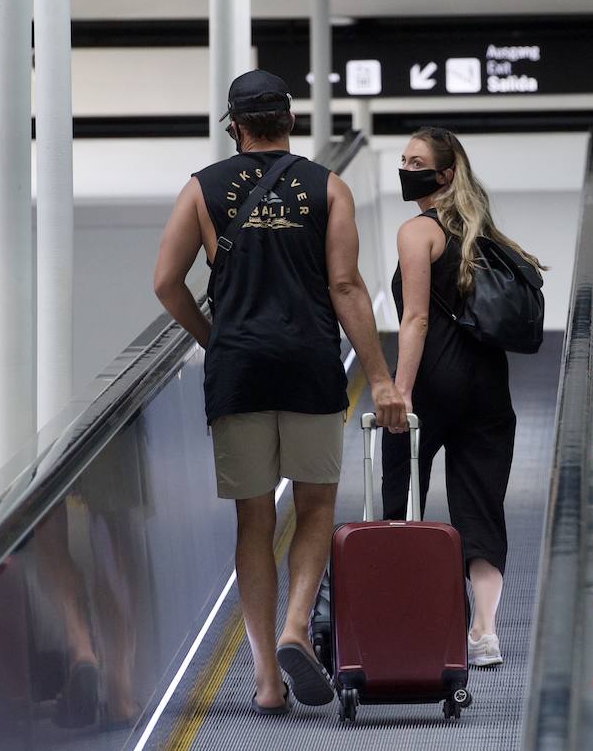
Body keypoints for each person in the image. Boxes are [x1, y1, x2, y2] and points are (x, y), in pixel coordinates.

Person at [153, 70, 405, 714]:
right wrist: (379, 376)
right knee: (316, 507)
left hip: (238, 369)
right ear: (290, 123)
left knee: (253, 517)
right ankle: (298, 625)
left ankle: (267, 679)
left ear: (233, 127)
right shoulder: (329, 187)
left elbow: (166, 283)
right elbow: (347, 287)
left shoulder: (201, 190)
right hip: (310, 365)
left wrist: (216, 338)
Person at [380, 126, 546, 669]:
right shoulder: (486, 235)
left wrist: (399, 392)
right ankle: (483, 631)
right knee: (481, 508)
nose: (406, 168)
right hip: (487, 387)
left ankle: (414, 620)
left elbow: (416, 318)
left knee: (404, 504)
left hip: (432, 384)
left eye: (416, 161)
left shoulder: (416, 232)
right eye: (403, 158)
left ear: (445, 174)